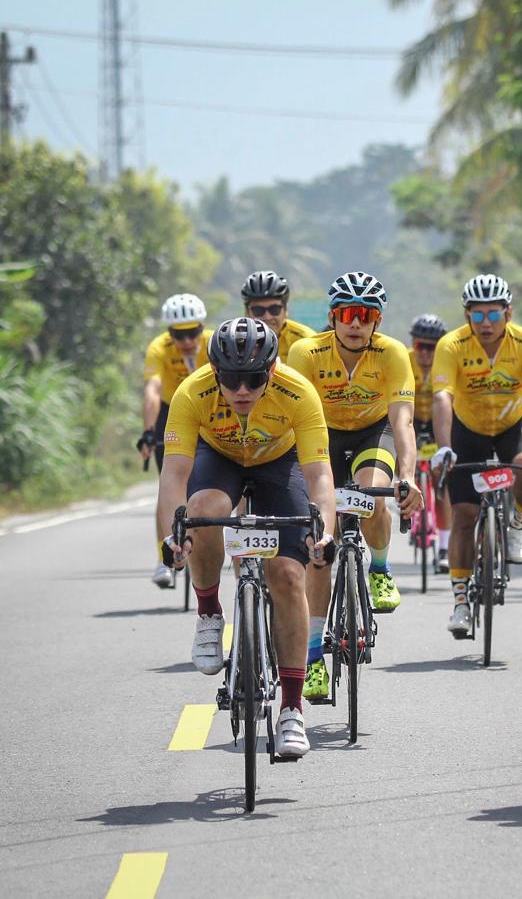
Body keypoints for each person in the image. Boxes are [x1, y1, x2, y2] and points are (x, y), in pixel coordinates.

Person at [157, 317, 336, 758]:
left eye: (253, 380)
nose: (242, 390)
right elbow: (173, 478)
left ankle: (292, 709)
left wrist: (326, 531)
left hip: (279, 463)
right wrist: (169, 538)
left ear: (271, 372)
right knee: (201, 512)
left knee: (289, 576)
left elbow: (319, 475)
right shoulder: (191, 392)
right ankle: (208, 615)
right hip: (220, 459)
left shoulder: (298, 392)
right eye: (232, 380)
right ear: (215, 373)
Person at [287, 271, 421, 701]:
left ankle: (379, 569)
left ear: (377, 320)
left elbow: (402, 421)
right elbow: (290, 418)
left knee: (368, 495)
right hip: (320, 437)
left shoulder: (393, 353)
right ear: (333, 317)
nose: (355, 323)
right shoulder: (306, 352)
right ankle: (311, 659)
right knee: (318, 549)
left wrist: (409, 477)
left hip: (371, 434)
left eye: (365, 315)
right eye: (347, 314)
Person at [430, 274, 522, 638]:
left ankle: (517, 527)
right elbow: (441, 398)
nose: (485, 324)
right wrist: (444, 446)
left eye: (493, 315)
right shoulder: (451, 345)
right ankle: (461, 603)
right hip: (467, 432)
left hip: (512, 428)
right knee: (464, 515)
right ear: (467, 316)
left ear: (508, 312)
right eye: (477, 316)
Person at [138, 293, 212, 589]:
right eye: (178, 334)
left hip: (209, 409)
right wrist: (147, 431)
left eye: (193, 332)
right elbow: (153, 390)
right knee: (167, 484)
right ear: (169, 333)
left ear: (202, 328)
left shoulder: (213, 342)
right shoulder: (159, 348)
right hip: (171, 410)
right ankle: (162, 557)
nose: (187, 341)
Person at [408, 313, 452, 571]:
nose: (425, 353)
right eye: (419, 346)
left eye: (432, 347)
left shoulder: (447, 365)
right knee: (407, 471)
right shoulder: (404, 361)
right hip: (412, 424)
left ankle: (444, 546)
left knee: (441, 480)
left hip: (438, 426)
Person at [240, 269, 315, 360]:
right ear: (247, 312)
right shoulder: (234, 342)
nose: (267, 317)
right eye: (258, 310)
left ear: (286, 309)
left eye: (274, 309)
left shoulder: (307, 341)